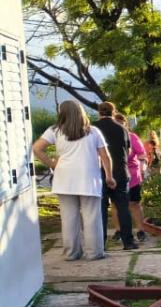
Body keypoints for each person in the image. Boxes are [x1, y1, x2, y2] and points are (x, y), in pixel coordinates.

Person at [30, 100, 117, 260]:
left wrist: (52, 164)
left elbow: (36, 148)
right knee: (92, 217)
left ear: (62, 113)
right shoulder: (93, 131)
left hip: (64, 179)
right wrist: (109, 176)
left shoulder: (55, 131)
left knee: (69, 218)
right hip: (88, 179)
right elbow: (105, 156)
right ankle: (94, 252)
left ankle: (71, 253)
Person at [94, 101, 137, 250]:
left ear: (99, 112)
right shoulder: (122, 129)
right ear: (114, 112)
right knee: (123, 208)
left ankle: (101, 243)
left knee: (100, 209)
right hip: (120, 171)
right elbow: (128, 151)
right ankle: (128, 242)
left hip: (99, 173)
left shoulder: (92, 128)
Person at [114, 113, 149, 242]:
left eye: (121, 124)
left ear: (125, 125)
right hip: (115, 175)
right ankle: (118, 231)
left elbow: (142, 155)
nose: (119, 126)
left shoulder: (132, 137)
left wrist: (143, 167)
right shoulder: (108, 138)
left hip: (133, 175)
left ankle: (141, 230)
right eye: (116, 124)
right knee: (116, 204)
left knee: (134, 203)